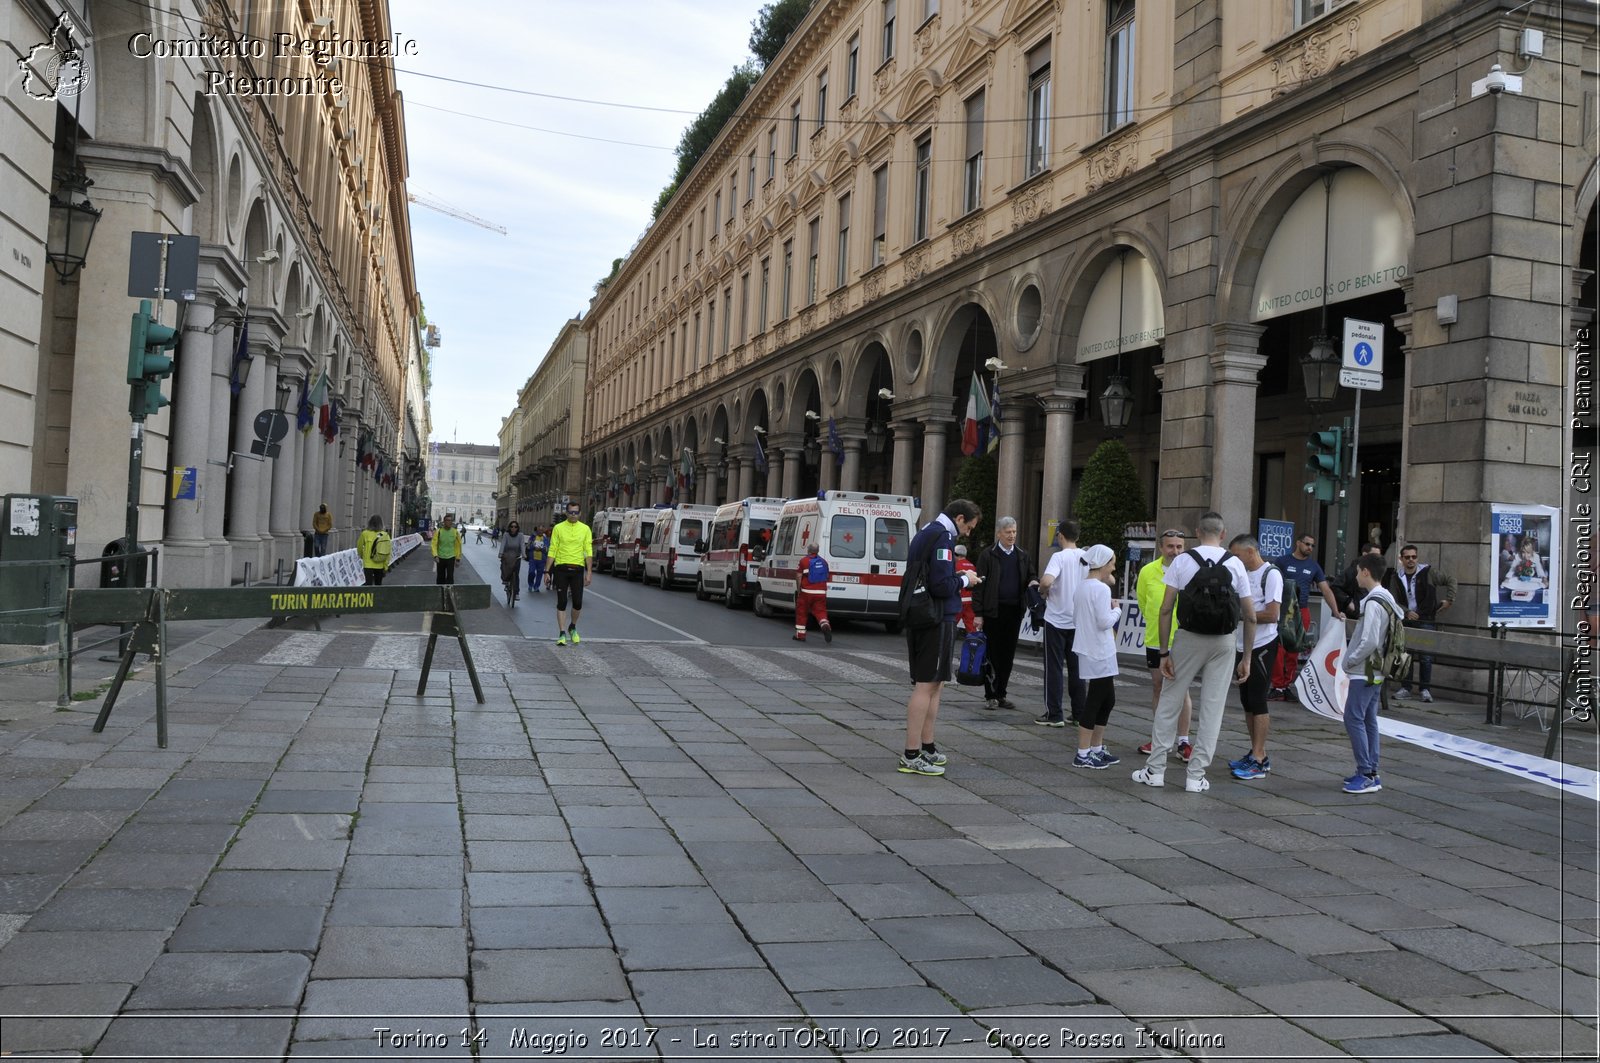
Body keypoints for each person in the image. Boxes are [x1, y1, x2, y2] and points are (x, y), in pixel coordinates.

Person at [1134, 511, 1256, 794]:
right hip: (1224, 642)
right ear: (1223, 535)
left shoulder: (1183, 561)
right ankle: (1196, 775)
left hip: (1187, 638)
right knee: (1213, 708)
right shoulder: (1235, 564)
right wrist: (1246, 656)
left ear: (1197, 533)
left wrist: (1164, 652)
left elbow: (1166, 609)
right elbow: (1249, 616)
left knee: (1169, 701)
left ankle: (1155, 770)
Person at [897, 499, 983, 777]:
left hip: (927, 615)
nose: (967, 534)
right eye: (968, 527)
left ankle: (927, 746)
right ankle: (911, 754)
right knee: (927, 685)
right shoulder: (943, 536)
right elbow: (940, 585)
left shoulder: (927, 532)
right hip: (936, 617)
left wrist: (956, 574)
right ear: (959, 518)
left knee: (935, 684)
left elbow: (932, 575)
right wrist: (965, 580)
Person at [1342, 553, 1403, 794]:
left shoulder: (1371, 601)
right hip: (1379, 668)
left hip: (1364, 670)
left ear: (1366, 571)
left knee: (1353, 717)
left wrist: (1350, 661)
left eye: (1358, 571)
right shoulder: (1387, 597)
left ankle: (1366, 773)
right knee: (1368, 719)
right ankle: (1371, 771)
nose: (1356, 576)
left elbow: (1368, 640)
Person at [1225, 535, 1283, 781]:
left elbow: (1272, 614)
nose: (1234, 560)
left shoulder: (1271, 574)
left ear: (1250, 551)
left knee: (1258, 700)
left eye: (1237, 555)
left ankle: (1259, 759)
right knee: (1247, 700)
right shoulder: (1243, 574)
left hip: (1263, 644)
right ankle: (1256, 752)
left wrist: (1242, 615)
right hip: (1242, 643)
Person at [972, 516, 1039, 711]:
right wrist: (979, 612)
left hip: (1014, 611)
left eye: (1014, 532)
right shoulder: (988, 555)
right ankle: (990, 695)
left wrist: (1033, 582)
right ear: (999, 533)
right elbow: (979, 585)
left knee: (1008, 656)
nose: (1012, 535)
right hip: (994, 611)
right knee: (992, 655)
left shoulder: (1022, 555)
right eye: (1008, 532)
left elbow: (1031, 574)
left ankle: (1001, 693)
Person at [1137, 529, 1193, 759]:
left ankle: (1183, 741)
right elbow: (1143, 601)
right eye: (1170, 546)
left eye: (1179, 546)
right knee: (1159, 687)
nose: (1175, 551)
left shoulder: (1191, 571)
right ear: (1161, 548)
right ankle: (1160, 738)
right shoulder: (1148, 571)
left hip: (1184, 639)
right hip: (1155, 639)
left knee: (1183, 690)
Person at [1270, 533, 1343, 699]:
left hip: (1301, 611)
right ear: (1298, 543)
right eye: (1307, 544)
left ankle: (1286, 686)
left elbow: (1326, 590)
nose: (1309, 548)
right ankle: (1277, 686)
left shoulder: (1314, 566)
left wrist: (1336, 611)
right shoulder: (1282, 561)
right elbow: (1271, 582)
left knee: (1294, 650)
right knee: (1279, 649)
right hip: (1282, 609)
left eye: (1312, 545)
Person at [1382, 544, 1456, 703]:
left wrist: (1450, 600)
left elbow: (1451, 579)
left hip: (1426, 619)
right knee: (1405, 655)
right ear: (1401, 559)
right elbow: (1392, 600)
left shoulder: (1428, 572)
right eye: (1407, 557)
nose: (1411, 560)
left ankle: (1425, 689)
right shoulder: (1396, 577)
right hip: (1407, 620)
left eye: (1414, 557)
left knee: (1426, 657)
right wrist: (1406, 611)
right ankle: (1406, 688)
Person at [1070, 544, 1122, 768]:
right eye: (1112, 562)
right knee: (1097, 700)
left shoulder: (1083, 586)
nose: (1114, 567)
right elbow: (1104, 622)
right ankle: (1083, 753)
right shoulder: (1101, 590)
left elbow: (1078, 619)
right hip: (1099, 650)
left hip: (1092, 649)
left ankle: (1095, 748)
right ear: (1103, 564)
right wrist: (1117, 610)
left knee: (1107, 699)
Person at [1036, 520, 1087, 728]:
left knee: (1054, 668)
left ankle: (1054, 713)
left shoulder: (1059, 557)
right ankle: (1079, 713)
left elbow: (1047, 581)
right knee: (1077, 670)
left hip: (1056, 619)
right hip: (1078, 620)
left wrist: (1041, 590)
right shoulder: (1086, 557)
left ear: (1060, 536)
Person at [549, 502, 594, 646]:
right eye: (571, 512)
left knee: (578, 603)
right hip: (561, 568)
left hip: (578, 569)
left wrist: (589, 572)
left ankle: (572, 627)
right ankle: (562, 633)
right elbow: (553, 549)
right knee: (562, 602)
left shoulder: (585, 529)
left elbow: (588, 550)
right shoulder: (558, 528)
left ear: (580, 514)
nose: (573, 515)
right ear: (566, 513)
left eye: (576, 512)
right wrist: (546, 571)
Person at [794, 542, 833, 642]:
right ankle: (825, 625)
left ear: (808, 550)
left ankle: (800, 635)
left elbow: (798, 576)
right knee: (821, 612)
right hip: (820, 592)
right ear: (818, 551)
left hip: (806, 592)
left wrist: (799, 590)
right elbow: (826, 577)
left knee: (802, 613)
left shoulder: (804, 561)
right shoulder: (824, 562)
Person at [1337, 542, 1386, 615]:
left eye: (1378, 556)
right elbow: (1335, 587)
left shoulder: (1377, 571)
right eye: (1374, 556)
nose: (1377, 559)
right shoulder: (1352, 571)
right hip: (1355, 614)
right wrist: (1348, 602)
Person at [954, 545, 980, 635]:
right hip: (970, 601)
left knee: (951, 626)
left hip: (958, 601)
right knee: (971, 627)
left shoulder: (955, 565)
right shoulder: (972, 565)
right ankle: (975, 646)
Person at [498, 520, 526, 604]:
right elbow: (503, 544)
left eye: (515, 527)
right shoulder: (506, 535)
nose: (513, 528)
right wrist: (500, 553)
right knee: (504, 565)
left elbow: (522, 545)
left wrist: (524, 554)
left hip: (516, 556)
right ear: (509, 527)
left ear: (517, 528)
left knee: (516, 574)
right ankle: (506, 581)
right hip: (507, 555)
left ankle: (516, 593)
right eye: (512, 526)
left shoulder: (520, 535)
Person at [356, 515, 388, 586]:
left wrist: (362, 556)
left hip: (368, 564)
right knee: (378, 585)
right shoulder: (384, 535)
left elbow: (359, 546)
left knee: (368, 586)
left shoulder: (365, 533)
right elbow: (388, 552)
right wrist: (385, 566)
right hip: (380, 564)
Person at [432, 513, 462, 585]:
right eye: (448, 520)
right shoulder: (438, 532)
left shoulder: (455, 532)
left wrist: (458, 559)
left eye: (451, 520)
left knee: (450, 577)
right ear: (444, 522)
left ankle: (449, 593)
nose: (450, 522)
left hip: (451, 557)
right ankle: (440, 592)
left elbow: (458, 546)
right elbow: (434, 544)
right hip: (440, 558)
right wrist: (435, 556)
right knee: (440, 578)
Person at [526, 527, 549, 592]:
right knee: (531, 572)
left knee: (539, 574)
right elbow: (528, 546)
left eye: (542, 530)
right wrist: (533, 547)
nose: (540, 531)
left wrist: (541, 549)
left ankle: (536, 587)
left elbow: (548, 549)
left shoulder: (545, 539)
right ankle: (530, 584)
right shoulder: (532, 538)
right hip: (533, 559)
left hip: (542, 560)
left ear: (543, 531)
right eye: (539, 530)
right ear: (537, 531)